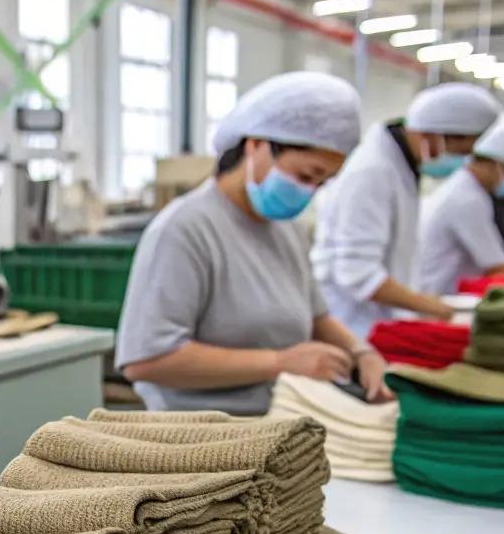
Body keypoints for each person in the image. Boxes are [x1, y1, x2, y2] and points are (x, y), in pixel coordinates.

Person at [114, 71, 385, 414]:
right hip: (205, 439)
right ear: (256, 146)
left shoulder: (286, 228)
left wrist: (362, 353)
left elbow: (317, 317)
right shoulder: (185, 230)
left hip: (282, 421)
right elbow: (148, 359)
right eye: (305, 176)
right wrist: (279, 362)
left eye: (323, 182)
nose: (310, 192)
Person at [310, 82, 503, 337]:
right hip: (355, 326)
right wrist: (434, 307)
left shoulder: (400, 166)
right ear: (434, 135)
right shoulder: (372, 172)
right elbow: (357, 273)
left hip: (380, 322)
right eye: (461, 151)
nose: (463, 162)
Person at [415, 117, 504, 295]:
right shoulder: (466, 199)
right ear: (497, 164)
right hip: (443, 298)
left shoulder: (466, 190)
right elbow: (499, 268)